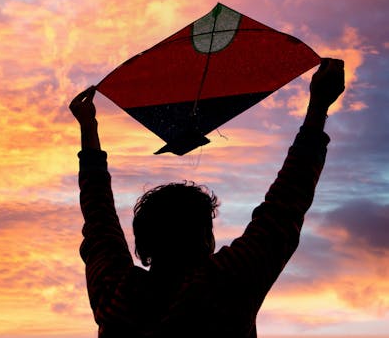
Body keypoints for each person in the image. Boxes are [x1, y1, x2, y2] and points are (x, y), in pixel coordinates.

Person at [70, 58, 345, 337]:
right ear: (205, 240)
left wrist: (88, 127)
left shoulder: (117, 294)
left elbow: (99, 218)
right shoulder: (227, 284)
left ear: (143, 245)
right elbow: (286, 204)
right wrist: (319, 104)